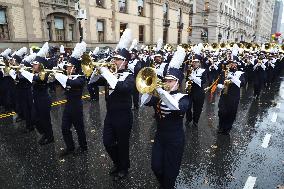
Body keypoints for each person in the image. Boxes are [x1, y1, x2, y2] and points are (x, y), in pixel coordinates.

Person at [141, 47, 190, 189]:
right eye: (166, 80)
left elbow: (176, 107)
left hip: (175, 139)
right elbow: (143, 101)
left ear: (177, 83)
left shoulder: (184, 98)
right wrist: (149, 89)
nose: (167, 83)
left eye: (170, 81)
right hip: (160, 137)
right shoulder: (160, 96)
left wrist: (162, 92)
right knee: (155, 166)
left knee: (170, 171)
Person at [55, 42, 88, 156]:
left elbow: (74, 83)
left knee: (79, 129)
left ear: (75, 68)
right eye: (67, 66)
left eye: (69, 67)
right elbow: (57, 83)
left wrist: (62, 77)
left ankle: (83, 147)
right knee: (64, 128)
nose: (67, 68)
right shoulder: (67, 75)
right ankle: (70, 147)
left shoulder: (81, 77)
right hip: (68, 106)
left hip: (76, 106)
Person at [31, 44, 54, 145]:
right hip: (37, 99)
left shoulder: (43, 74)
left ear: (40, 65)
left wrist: (31, 75)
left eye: (35, 64)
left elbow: (39, 79)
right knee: (36, 119)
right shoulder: (35, 73)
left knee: (45, 119)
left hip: (44, 99)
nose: (33, 66)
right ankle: (45, 133)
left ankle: (50, 137)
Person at [217, 61, 245, 135]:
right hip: (224, 96)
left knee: (231, 113)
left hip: (234, 96)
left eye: (234, 63)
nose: (232, 65)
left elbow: (242, 83)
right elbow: (218, 83)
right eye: (230, 63)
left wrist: (232, 78)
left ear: (236, 65)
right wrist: (222, 86)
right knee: (221, 112)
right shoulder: (224, 72)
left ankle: (227, 128)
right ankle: (221, 126)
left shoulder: (240, 73)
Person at [185, 59, 206, 127]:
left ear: (199, 64)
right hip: (190, 91)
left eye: (196, 62)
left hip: (199, 91)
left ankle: (195, 121)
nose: (194, 63)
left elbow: (203, 82)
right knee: (187, 106)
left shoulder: (203, 71)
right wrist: (187, 85)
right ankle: (189, 118)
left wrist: (193, 77)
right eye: (193, 62)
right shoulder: (189, 70)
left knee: (197, 108)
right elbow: (186, 79)